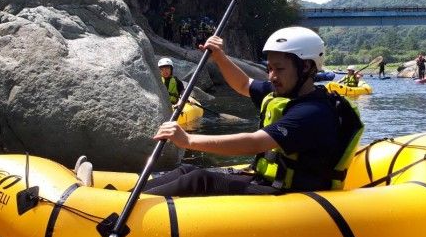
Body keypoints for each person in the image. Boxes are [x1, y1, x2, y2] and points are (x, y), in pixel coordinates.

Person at [143, 27, 363, 197]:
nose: (271, 76)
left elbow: (255, 142)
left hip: (294, 195)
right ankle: (122, 199)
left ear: (306, 67)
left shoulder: (312, 112)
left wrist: (188, 140)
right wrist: (219, 56)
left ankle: (124, 211)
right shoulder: (283, 93)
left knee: (198, 179)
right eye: (269, 69)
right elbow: (243, 84)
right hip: (267, 181)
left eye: (279, 69)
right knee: (186, 170)